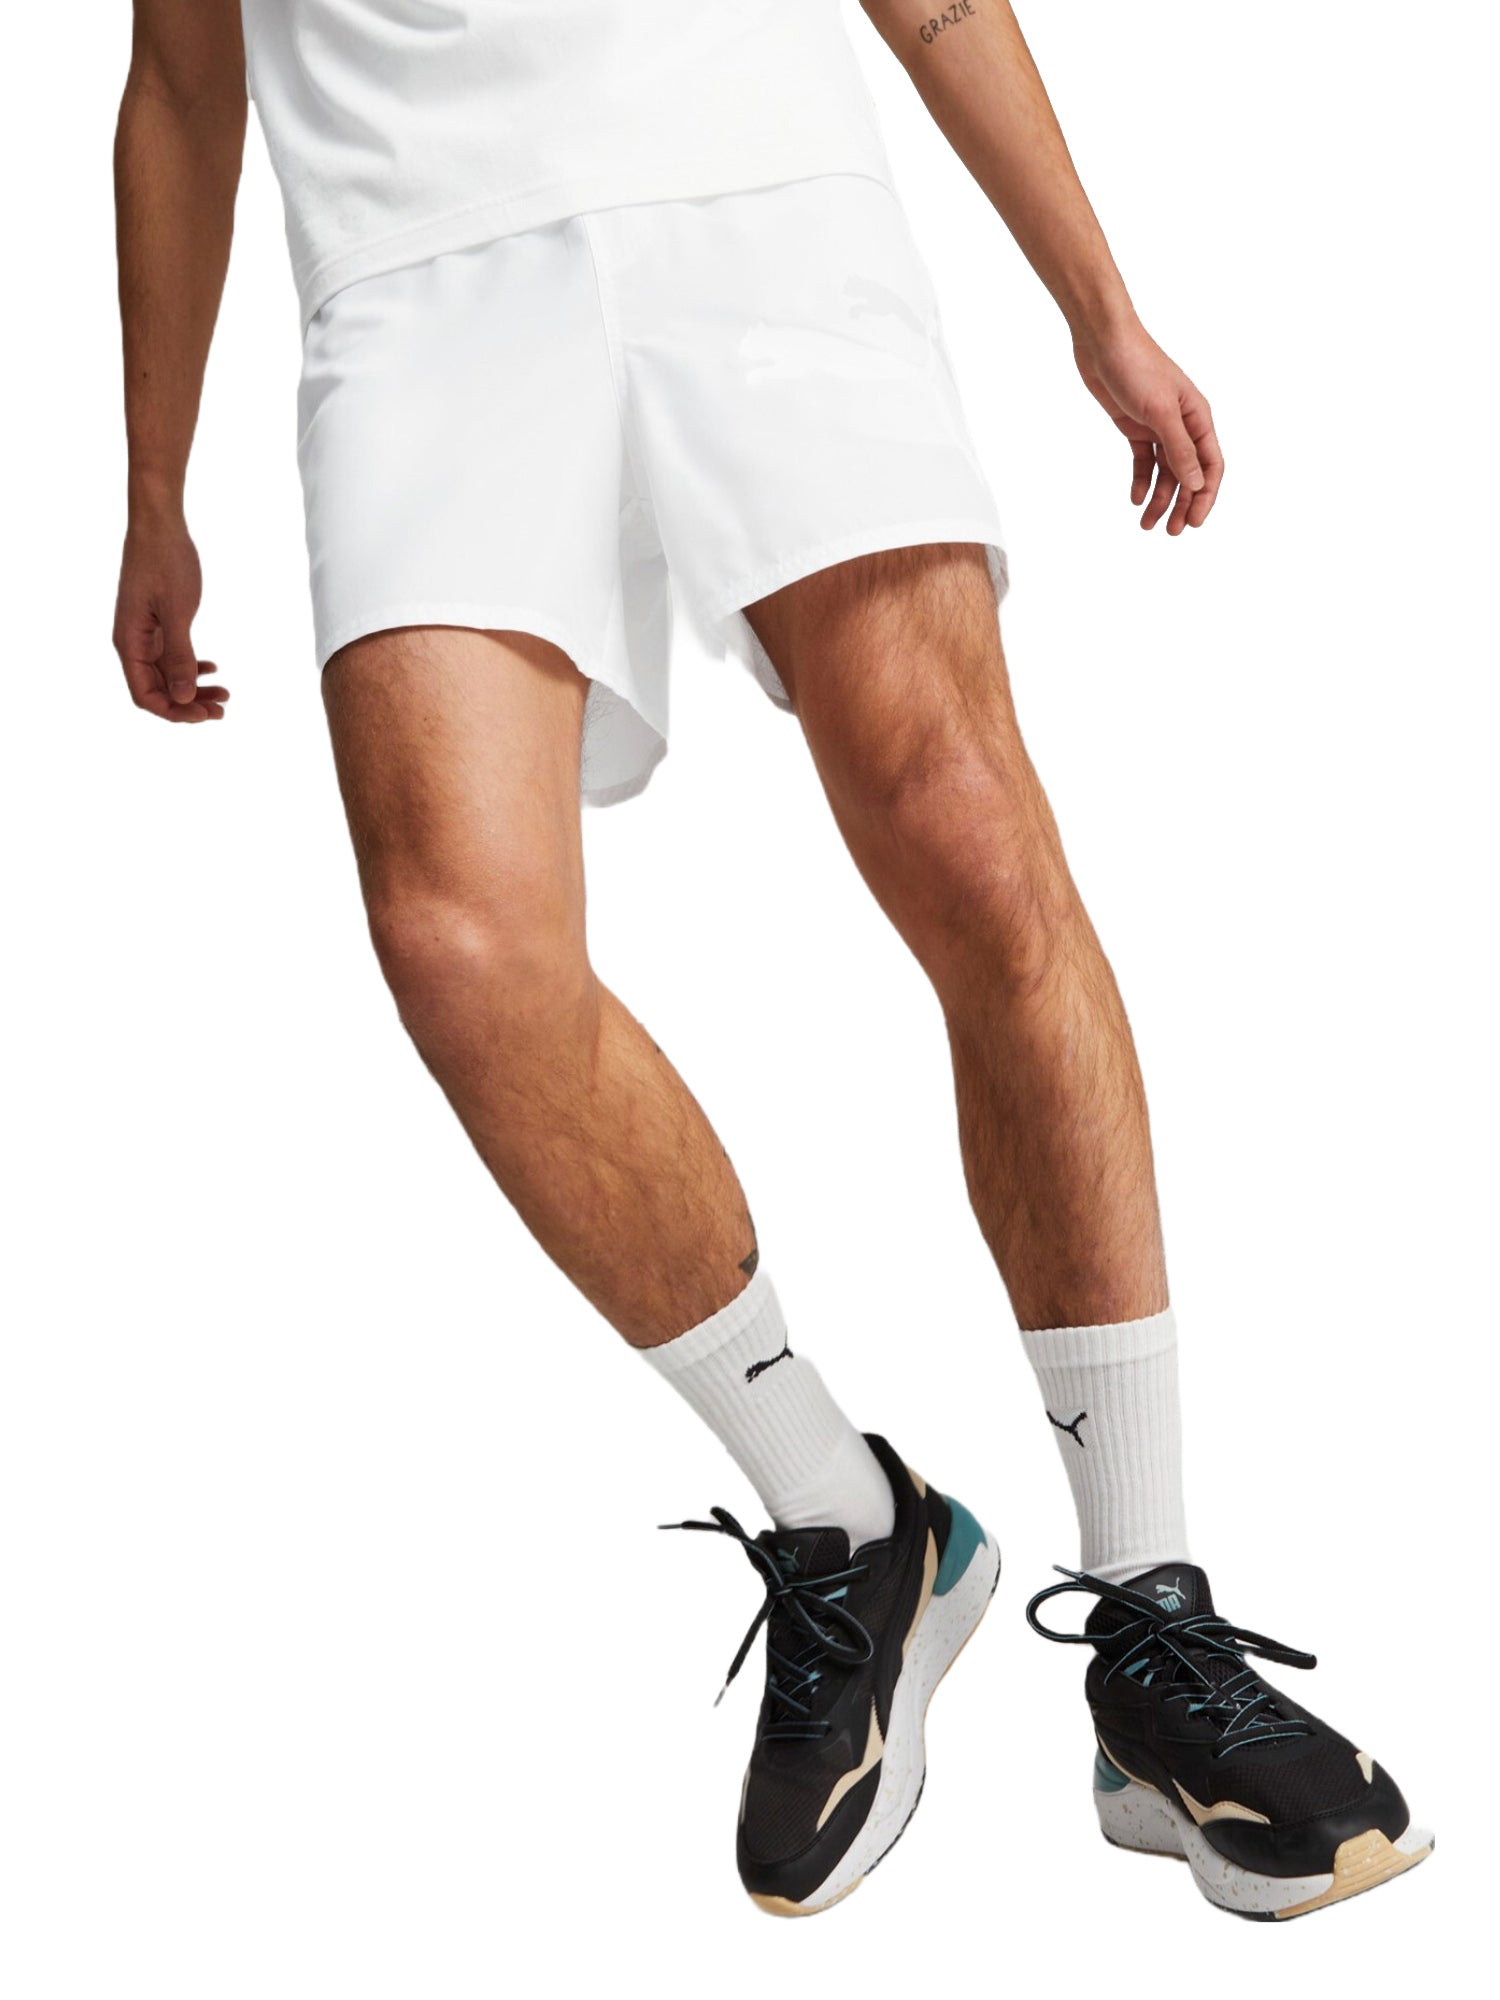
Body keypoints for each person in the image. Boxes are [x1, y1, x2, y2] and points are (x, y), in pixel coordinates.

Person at [112, 0, 1429, 1921]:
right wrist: (154, 488)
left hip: (752, 179)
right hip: (414, 260)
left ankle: (1154, 1624)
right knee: (459, 945)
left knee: (969, 836)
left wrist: (1099, 307)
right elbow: (176, 78)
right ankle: (853, 1520)